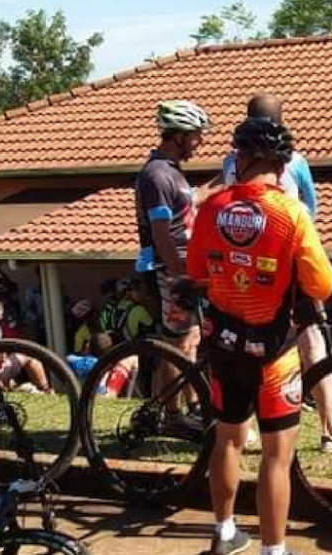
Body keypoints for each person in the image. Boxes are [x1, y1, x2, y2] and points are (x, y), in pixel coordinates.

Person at [186, 116, 332, 555]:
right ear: (283, 165)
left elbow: (196, 271)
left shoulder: (212, 208)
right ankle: (274, 550)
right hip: (275, 351)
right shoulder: (291, 213)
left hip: (225, 344)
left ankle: (225, 532)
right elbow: (322, 285)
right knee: (276, 455)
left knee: (227, 439)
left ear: (241, 157)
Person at [225, 94, 332, 451]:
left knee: (243, 340)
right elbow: (310, 207)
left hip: (243, 264)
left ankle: (244, 427)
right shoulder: (295, 162)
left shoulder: (232, 161)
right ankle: (331, 429)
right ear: (281, 124)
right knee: (312, 340)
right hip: (288, 259)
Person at [134, 100, 212, 425]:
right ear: (178, 136)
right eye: (196, 135)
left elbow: (191, 201)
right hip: (171, 271)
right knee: (176, 343)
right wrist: (181, 273)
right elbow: (162, 235)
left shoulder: (172, 173)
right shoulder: (156, 176)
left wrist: (226, 180)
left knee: (190, 339)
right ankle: (169, 412)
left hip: (184, 268)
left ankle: (191, 407)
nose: (200, 142)